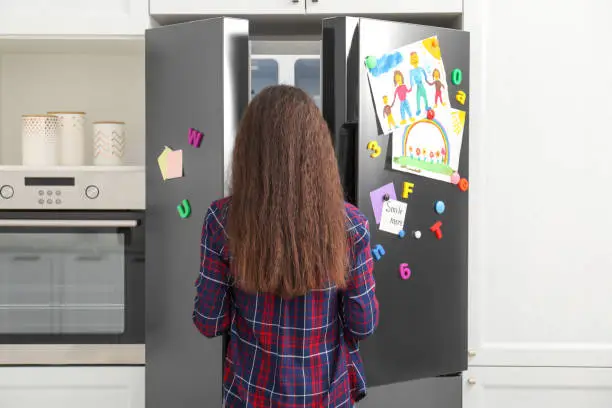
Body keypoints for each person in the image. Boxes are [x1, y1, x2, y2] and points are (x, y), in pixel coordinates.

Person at [193, 85, 379, 408]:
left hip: (249, 398)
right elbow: (363, 324)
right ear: (319, 151)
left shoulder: (222, 221)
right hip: (327, 399)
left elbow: (209, 321)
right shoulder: (351, 226)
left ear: (248, 152)